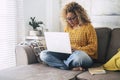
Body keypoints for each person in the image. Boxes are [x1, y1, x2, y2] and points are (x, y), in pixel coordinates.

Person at [40, 2, 97, 71]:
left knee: (78, 57)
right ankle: (67, 67)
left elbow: (93, 48)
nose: (70, 21)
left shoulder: (88, 27)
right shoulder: (68, 28)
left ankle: (63, 65)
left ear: (79, 16)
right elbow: (65, 43)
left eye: (72, 18)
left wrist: (76, 48)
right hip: (69, 54)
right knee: (44, 54)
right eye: (68, 19)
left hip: (83, 55)